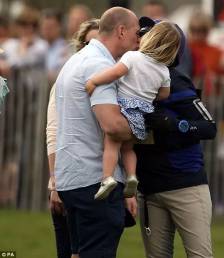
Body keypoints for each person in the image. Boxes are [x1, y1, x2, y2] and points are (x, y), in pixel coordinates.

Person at [54, 7, 139, 257]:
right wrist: (143, 128)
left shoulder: (77, 60)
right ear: (121, 31)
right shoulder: (98, 65)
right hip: (94, 182)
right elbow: (112, 125)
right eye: (136, 32)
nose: (139, 39)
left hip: (72, 179)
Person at [134, 20, 217, 258]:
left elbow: (209, 127)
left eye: (151, 34)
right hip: (149, 188)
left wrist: (172, 124)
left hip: (186, 186)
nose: (144, 37)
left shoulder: (176, 81)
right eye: (142, 33)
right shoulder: (130, 78)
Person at [85, 21, 181, 200]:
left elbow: (114, 73)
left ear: (149, 38)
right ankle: (131, 176)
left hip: (124, 108)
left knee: (111, 144)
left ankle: (107, 178)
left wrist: (94, 82)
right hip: (142, 116)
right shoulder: (164, 72)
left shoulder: (132, 57)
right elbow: (164, 94)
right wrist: (149, 94)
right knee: (128, 149)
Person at [47, 18, 99, 258]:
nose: (95, 49)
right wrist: (55, 184)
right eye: (89, 44)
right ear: (80, 46)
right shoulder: (65, 81)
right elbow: (53, 131)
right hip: (69, 182)